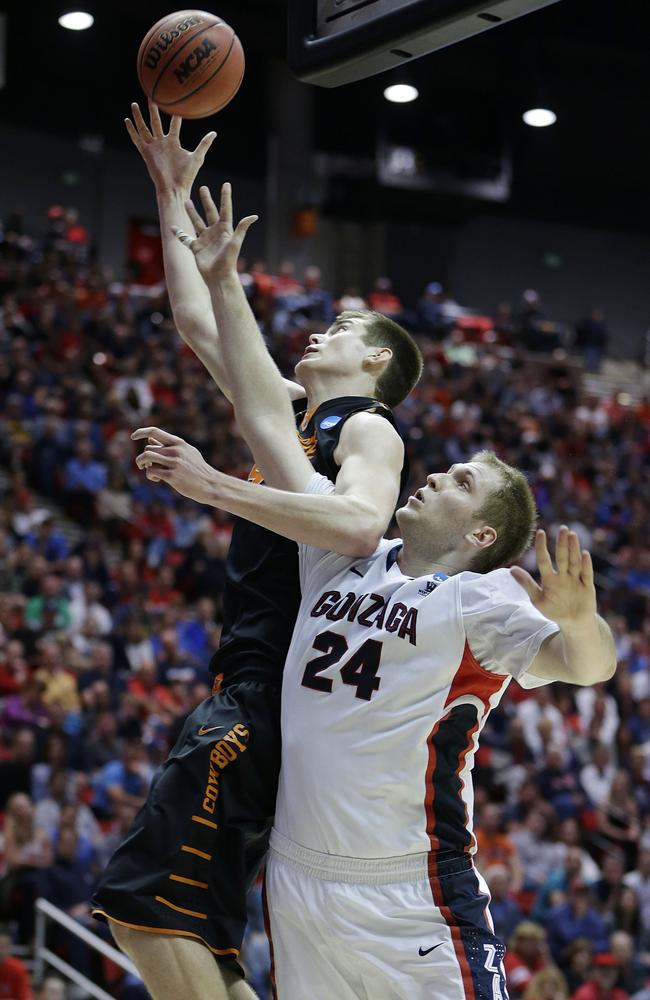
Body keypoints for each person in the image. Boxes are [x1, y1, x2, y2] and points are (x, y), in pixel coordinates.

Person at [92, 102, 421, 1000]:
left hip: (275, 693)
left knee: (141, 902)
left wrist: (209, 484)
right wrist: (171, 190)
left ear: (378, 367)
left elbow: (359, 527)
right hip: (251, 685)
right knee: (206, 939)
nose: (322, 330)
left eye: (346, 329)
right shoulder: (295, 412)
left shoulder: (371, 429)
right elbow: (199, 319)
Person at [133, 395, 615, 998]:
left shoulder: (483, 598)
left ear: (481, 532)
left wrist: (577, 621)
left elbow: (590, 665)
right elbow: (273, 434)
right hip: (297, 880)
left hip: (414, 891)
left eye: (460, 482)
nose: (437, 475)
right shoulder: (343, 552)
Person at [0, 928, 32, 1000]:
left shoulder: (18, 969)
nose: (0, 951)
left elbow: (25, 997)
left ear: (9, 949)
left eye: (3, 946)